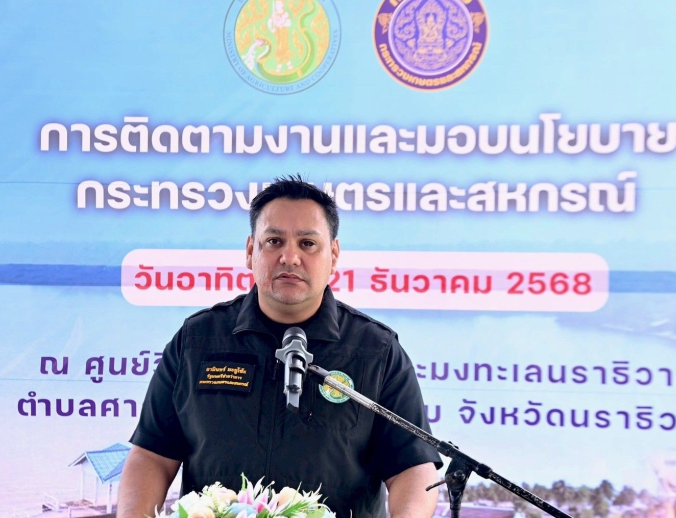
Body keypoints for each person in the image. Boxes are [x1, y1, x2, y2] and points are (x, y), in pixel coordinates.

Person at [117, 176, 442, 518]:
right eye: (274, 241)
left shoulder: (375, 351)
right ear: (250, 251)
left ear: (333, 255)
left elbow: (412, 468)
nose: (290, 257)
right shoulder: (197, 341)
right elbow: (152, 455)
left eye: (307, 243)